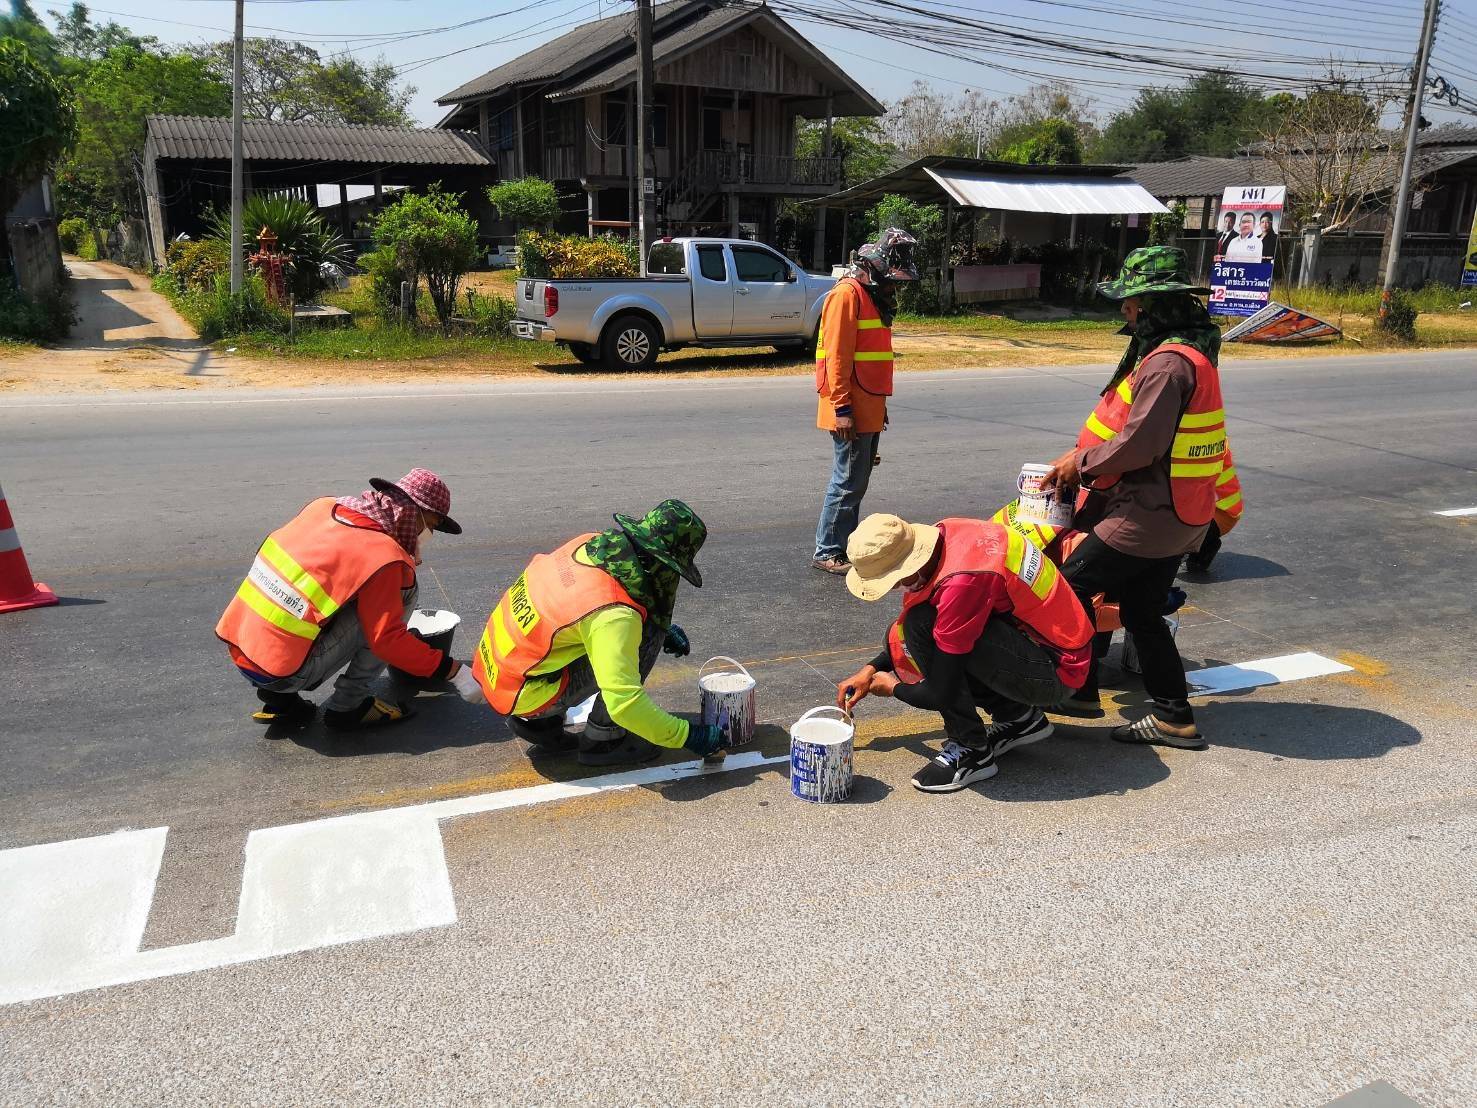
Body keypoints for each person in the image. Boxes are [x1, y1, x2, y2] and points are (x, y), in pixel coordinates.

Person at [1040, 246, 1227, 751]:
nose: (1124, 311)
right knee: (1143, 613)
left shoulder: (1167, 364)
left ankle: (1077, 689)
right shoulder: (1192, 353)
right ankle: (1174, 718)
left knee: (1067, 585)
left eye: (1129, 302)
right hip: (1181, 512)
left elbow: (1141, 445)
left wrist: (1079, 464)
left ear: (1151, 305)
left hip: (1150, 514)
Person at [835, 513, 1095, 794]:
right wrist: (871, 669)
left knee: (921, 626)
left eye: (894, 581)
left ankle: (972, 751)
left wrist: (894, 688)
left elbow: (941, 692)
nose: (896, 588)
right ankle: (1018, 718)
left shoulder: (963, 583)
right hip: (1046, 648)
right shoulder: (949, 533)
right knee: (915, 627)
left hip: (1056, 672)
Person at [216, 469, 485, 731]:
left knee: (324, 596)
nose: (430, 534)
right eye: (432, 524)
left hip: (242, 649)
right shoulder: (383, 555)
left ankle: (280, 701)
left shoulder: (322, 507)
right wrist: (455, 673)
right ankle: (348, 706)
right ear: (413, 512)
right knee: (403, 592)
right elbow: (387, 640)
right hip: (284, 674)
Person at [470, 500, 725, 767]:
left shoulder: (590, 544)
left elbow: (575, 607)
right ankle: (605, 739)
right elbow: (625, 704)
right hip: (522, 692)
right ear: (660, 562)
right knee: (645, 636)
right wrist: (689, 736)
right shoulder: (615, 613)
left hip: (500, 669)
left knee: (612, 630)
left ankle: (542, 724)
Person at [812, 227, 919, 574]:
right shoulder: (847, 295)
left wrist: (879, 407)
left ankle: (843, 546)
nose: (894, 287)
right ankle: (827, 550)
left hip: (867, 405)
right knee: (847, 482)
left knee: (856, 483)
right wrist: (842, 408)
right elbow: (837, 358)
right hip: (850, 408)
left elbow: (871, 360)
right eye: (892, 280)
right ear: (874, 268)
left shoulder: (870, 296)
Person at [1184, 444, 1244, 572]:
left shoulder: (1184, 443)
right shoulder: (1209, 436)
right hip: (1221, 513)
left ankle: (1202, 545)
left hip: (1217, 515)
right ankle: (1199, 547)